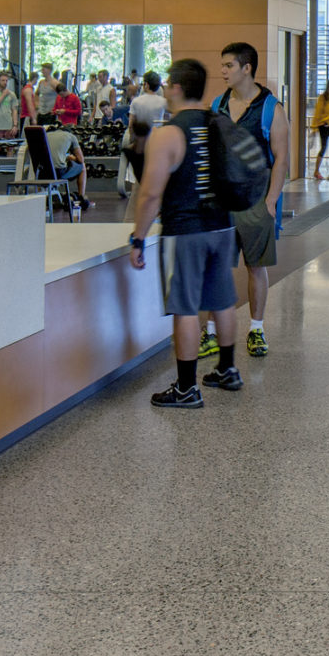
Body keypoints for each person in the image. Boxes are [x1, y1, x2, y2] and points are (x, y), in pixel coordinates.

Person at [128, 58, 241, 408]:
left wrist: (138, 236)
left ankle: (187, 388)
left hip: (185, 230)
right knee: (223, 299)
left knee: (185, 307)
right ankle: (227, 369)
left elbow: (149, 193)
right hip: (222, 226)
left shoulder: (169, 133)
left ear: (175, 87)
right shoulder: (218, 123)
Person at [205, 42, 289, 360]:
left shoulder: (270, 108)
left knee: (255, 267)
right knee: (218, 268)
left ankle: (256, 329)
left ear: (246, 68)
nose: (222, 71)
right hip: (222, 203)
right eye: (222, 65)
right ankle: (211, 333)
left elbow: (281, 158)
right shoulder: (218, 105)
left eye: (228, 65)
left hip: (255, 202)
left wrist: (271, 201)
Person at [39, 119, 93, 210]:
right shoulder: (71, 136)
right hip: (58, 172)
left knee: (54, 166)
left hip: (42, 173)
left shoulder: (46, 135)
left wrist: (66, 157)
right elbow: (81, 159)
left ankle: (44, 198)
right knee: (83, 166)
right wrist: (71, 157)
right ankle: (81, 196)